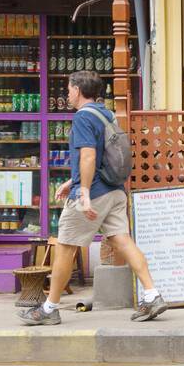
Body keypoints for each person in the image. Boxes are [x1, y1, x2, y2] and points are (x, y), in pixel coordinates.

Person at [19, 70, 167, 325]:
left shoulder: (83, 118)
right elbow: (99, 157)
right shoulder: (106, 114)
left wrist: (83, 192)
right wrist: (71, 181)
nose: (67, 93)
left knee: (65, 248)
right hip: (114, 190)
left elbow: (88, 156)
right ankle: (152, 295)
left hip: (93, 193)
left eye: (68, 89)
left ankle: (49, 308)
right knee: (123, 241)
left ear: (77, 90)